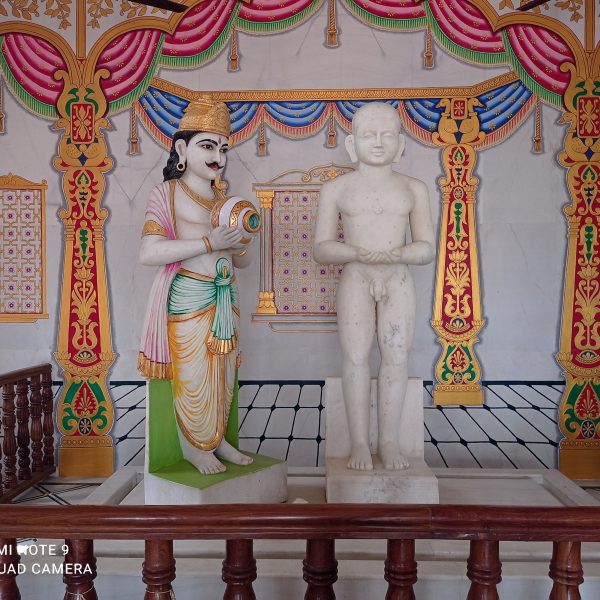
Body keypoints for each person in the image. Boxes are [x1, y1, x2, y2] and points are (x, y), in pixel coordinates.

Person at [313, 102, 435, 471]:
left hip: (398, 276)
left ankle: (389, 440)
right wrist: (357, 253)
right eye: (368, 135)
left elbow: (427, 247)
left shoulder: (413, 188)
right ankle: (360, 443)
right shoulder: (336, 189)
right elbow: (321, 249)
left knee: (396, 356)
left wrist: (397, 254)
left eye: (387, 135)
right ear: (352, 145)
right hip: (356, 275)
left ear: (401, 144)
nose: (378, 142)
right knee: (355, 357)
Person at [138, 97, 253, 475]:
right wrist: (208, 242)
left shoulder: (225, 200)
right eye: (208, 146)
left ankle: (218, 440)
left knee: (224, 375)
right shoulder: (167, 194)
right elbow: (149, 252)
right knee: (194, 378)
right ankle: (194, 447)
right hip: (189, 295)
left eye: (223, 149)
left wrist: (240, 242)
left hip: (226, 296)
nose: (218, 156)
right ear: (182, 149)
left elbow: (242, 261)